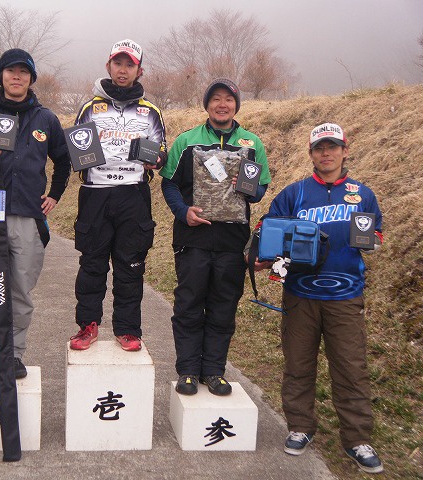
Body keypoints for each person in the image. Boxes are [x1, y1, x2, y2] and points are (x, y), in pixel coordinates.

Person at [250, 123, 384, 474]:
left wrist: (371, 240)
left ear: (344, 150)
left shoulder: (362, 194)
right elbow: (268, 231)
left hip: (345, 295)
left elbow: (375, 236)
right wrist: (263, 255)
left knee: (351, 368)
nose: (326, 153)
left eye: (332, 147)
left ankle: (356, 438)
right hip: (301, 294)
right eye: (319, 148)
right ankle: (300, 427)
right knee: (298, 364)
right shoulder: (295, 193)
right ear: (311, 154)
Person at [0, 49, 71, 386]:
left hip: (27, 216)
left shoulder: (46, 119)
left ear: (31, 79)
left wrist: (54, 195)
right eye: (11, 71)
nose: (17, 77)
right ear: (2, 77)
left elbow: (64, 161)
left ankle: (14, 354)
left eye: (24, 72)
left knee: (19, 291)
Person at [160, 78, 271, 396]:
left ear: (236, 105)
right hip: (193, 239)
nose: (222, 104)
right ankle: (189, 371)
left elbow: (259, 190)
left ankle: (214, 370)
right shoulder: (187, 141)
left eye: (228, 99)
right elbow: (169, 183)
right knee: (189, 305)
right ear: (206, 104)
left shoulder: (251, 144)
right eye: (216, 99)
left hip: (232, 242)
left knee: (224, 306)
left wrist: (246, 186)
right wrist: (184, 212)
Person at [68, 39, 167, 352]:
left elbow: (162, 149)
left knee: (131, 265)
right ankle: (87, 326)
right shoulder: (89, 108)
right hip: (96, 194)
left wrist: (157, 159)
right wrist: (78, 156)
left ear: (139, 70)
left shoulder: (150, 111)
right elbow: (76, 148)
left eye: (130, 65)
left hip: (133, 195)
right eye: (118, 63)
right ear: (108, 66)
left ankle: (127, 329)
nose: (123, 70)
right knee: (92, 264)